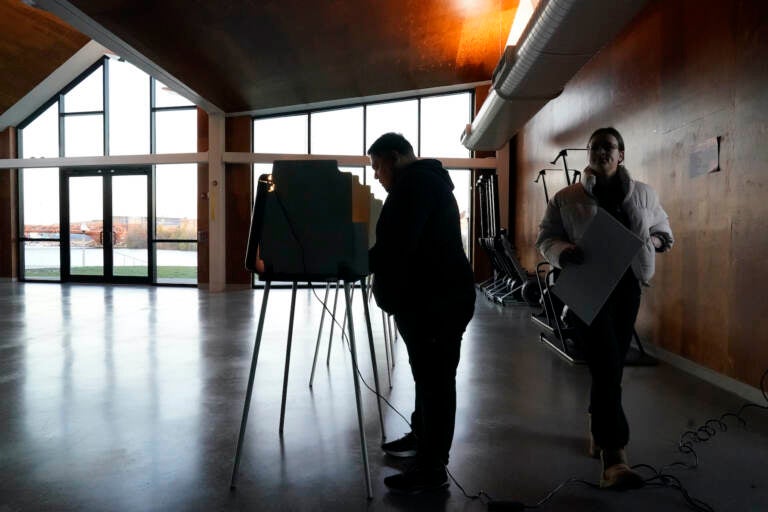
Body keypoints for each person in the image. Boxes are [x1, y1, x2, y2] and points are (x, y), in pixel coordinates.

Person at [536, 127, 673, 489]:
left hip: (628, 288)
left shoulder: (643, 194)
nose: (601, 153)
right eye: (595, 147)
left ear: (621, 154)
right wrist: (562, 252)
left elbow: (662, 226)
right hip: (586, 288)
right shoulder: (567, 197)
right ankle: (615, 457)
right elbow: (545, 239)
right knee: (609, 363)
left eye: (608, 147)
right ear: (590, 154)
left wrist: (656, 240)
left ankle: (599, 424)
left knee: (606, 366)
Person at [367, 132, 476, 494]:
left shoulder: (414, 185)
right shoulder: (424, 182)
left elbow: (398, 246)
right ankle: (421, 436)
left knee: (435, 380)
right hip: (435, 299)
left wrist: (360, 261)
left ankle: (432, 467)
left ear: (396, 157)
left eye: (377, 166)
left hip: (437, 302)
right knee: (427, 376)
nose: (376, 175)